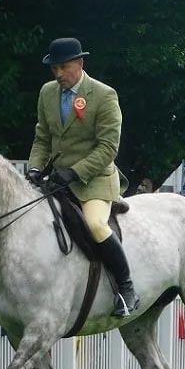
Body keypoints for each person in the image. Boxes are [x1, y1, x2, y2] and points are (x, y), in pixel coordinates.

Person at [27, 37, 139, 317]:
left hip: (94, 181)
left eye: (63, 67)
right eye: (54, 69)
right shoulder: (47, 93)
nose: (58, 74)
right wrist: (34, 168)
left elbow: (107, 148)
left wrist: (75, 172)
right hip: (57, 180)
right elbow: (42, 138)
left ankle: (126, 289)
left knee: (96, 225)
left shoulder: (104, 95)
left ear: (80, 63)